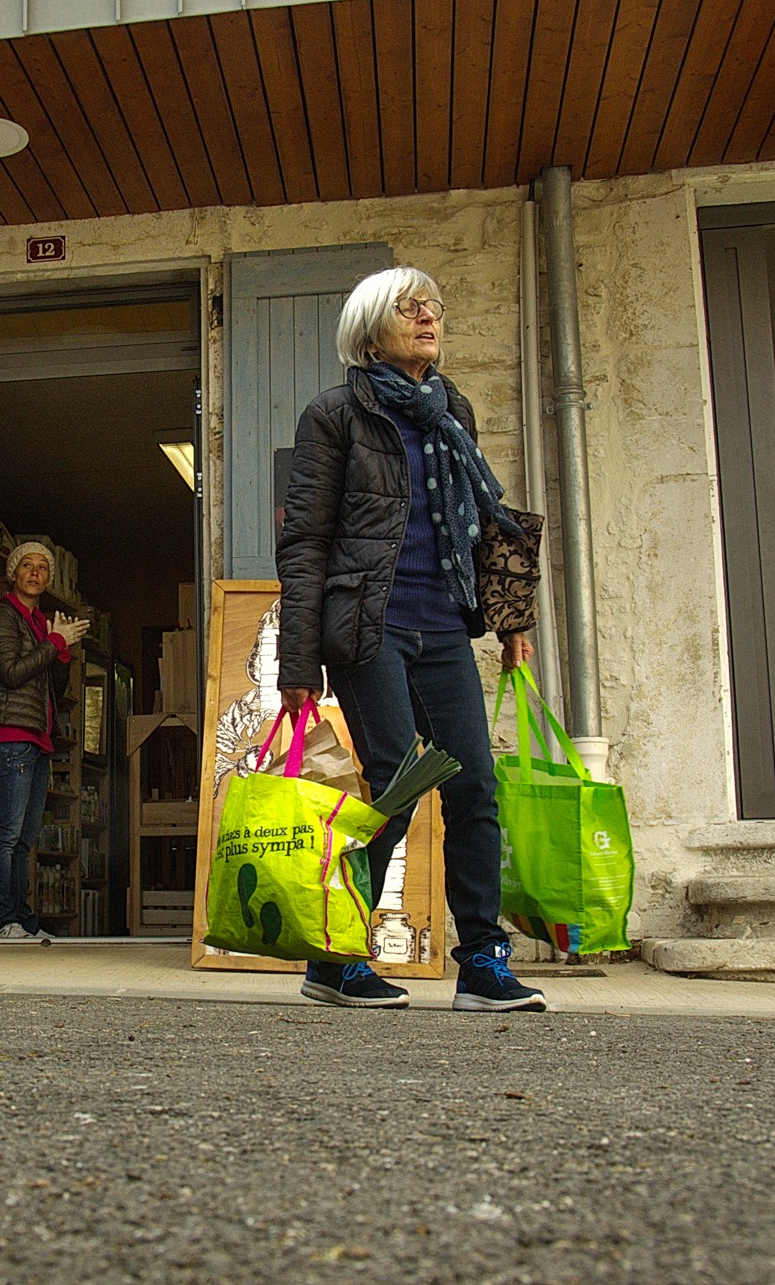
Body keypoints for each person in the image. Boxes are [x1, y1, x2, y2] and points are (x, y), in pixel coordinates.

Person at [276, 266, 543, 1013]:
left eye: (434, 305)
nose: (429, 315)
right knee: (396, 781)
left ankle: (484, 961)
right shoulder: (335, 414)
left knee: (474, 785)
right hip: (370, 624)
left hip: (443, 622)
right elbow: (304, 541)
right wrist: (299, 661)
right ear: (368, 329)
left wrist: (511, 617)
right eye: (409, 306)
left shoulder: (449, 409)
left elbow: (483, 518)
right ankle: (335, 955)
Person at [0, 542, 89, 939]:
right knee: (5, 834)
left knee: (24, 839)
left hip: (36, 738)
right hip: (8, 736)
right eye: (27, 565)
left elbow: (52, 686)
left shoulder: (40, 621)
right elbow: (10, 671)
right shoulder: (1, 616)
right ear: (13, 573)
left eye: (43, 567)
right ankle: (1, 921)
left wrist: (61, 653)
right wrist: (55, 643)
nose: (36, 572)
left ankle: (21, 920)